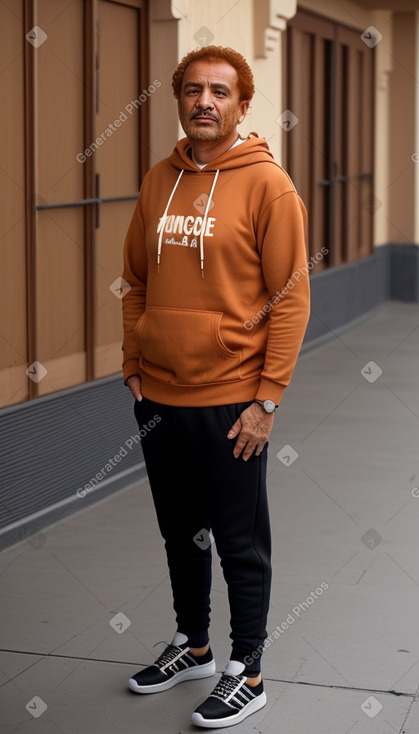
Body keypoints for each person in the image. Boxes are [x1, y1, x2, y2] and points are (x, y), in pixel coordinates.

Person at [121, 45, 310, 728]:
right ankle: (193, 645)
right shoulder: (155, 180)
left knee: (238, 540)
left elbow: (290, 298)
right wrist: (133, 363)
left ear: (241, 104)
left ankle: (248, 669)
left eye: (220, 92)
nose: (205, 101)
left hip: (232, 399)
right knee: (182, 533)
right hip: (160, 396)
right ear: (177, 98)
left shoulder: (268, 186)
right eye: (193, 89)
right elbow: (136, 283)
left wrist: (266, 400)